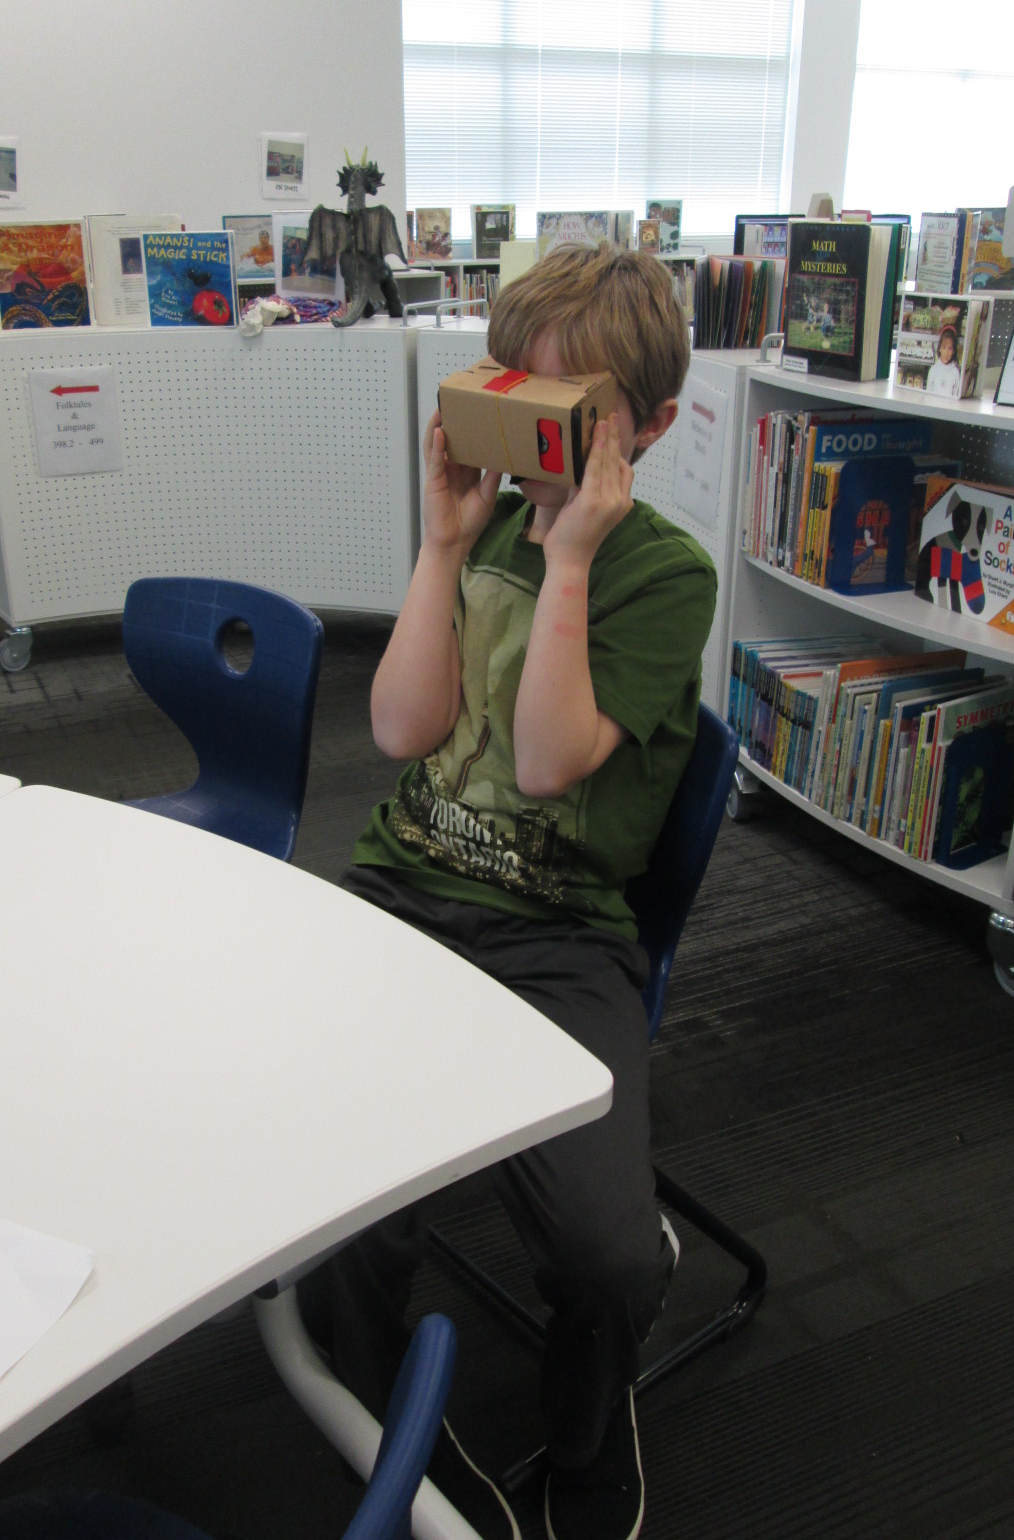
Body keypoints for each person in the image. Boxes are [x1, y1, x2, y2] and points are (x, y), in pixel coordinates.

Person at [299, 242, 717, 1540]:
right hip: (408, 888)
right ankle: (389, 1424)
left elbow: (543, 765)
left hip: (558, 931)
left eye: (563, 412)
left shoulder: (663, 574)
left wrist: (571, 558)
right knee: (332, 1197)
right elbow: (399, 729)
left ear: (647, 428)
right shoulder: (479, 528)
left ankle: (592, 1418)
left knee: (606, 1259)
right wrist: (442, 546)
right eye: (508, 393)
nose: (527, 436)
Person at [926, 325, 962, 396]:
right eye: (944, 347)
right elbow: (928, 394)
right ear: (940, 348)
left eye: (950, 348)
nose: (946, 353)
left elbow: (955, 396)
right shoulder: (933, 369)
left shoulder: (955, 372)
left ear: (953, 351)